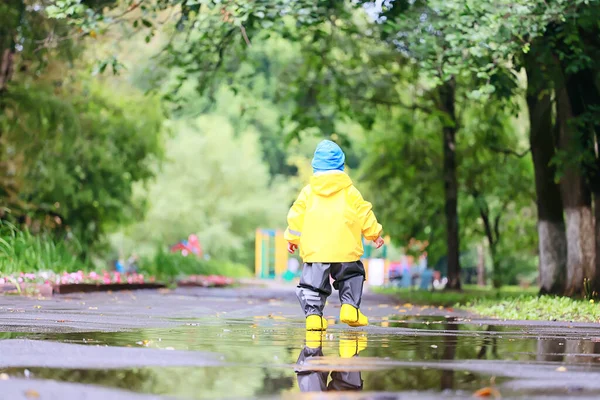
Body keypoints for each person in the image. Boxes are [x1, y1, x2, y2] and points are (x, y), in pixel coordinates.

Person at [285, 139, 384, 331]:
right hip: (345, 249)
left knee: (313, 285)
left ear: (315, 167)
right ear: (341, 167)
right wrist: (374, 234)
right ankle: (349, 308)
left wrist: (292, 238)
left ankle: (313, 317)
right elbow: (364, 213)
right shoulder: (350, 192)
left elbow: (296, 216)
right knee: (351, 276)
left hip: (316, 251)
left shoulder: (308, 192)